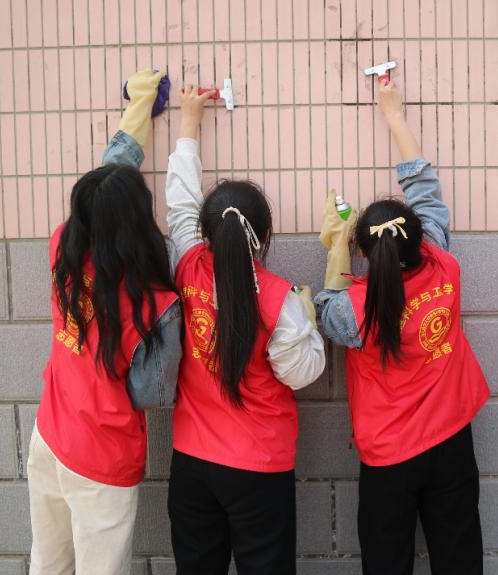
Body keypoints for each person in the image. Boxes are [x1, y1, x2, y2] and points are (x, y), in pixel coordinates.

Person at [314, 78, 490, 575]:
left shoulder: (354, 310)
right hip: (452, 442)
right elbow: (427, 195)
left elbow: (325, 308)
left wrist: (336, 247)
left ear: (366, 253)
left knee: (386, 564)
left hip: (389, 457)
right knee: (460, 559)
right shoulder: (443, 264)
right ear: (417, 241)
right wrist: (394, 116)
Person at [164, 84, 326, 574]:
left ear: (206, 233)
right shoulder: (280, 301)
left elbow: (180, 206)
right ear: (266, 236)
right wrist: (310, 320)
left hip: (192, 464)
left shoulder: (188, 265)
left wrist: (188, 123)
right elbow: (301, 373)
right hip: (258, 469)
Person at [28, 69, 182, 575]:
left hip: (50, 438)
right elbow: (152, 394)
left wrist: (140, 104)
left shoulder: (64, 248)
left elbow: (109, 176)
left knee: (47, 564)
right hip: (102, 458)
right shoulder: (154, 304)